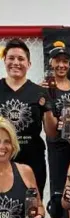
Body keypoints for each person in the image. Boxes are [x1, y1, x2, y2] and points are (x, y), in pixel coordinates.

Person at [0, 38, 58, 199]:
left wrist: (47, 109)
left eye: (21, 59)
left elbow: (52, 133)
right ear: (4, 61)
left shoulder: (40, 92)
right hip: (2, 158)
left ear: (29, 64)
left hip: (32, 160)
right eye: (11, 58)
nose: (15, 62)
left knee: (33, 208)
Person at [40, 41, 70, 218]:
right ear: (51, 63)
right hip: (56, 147)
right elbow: (48, 127)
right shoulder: (46, 87)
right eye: (58, 61)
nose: (62, 65)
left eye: (65, 61)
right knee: (57, 195)